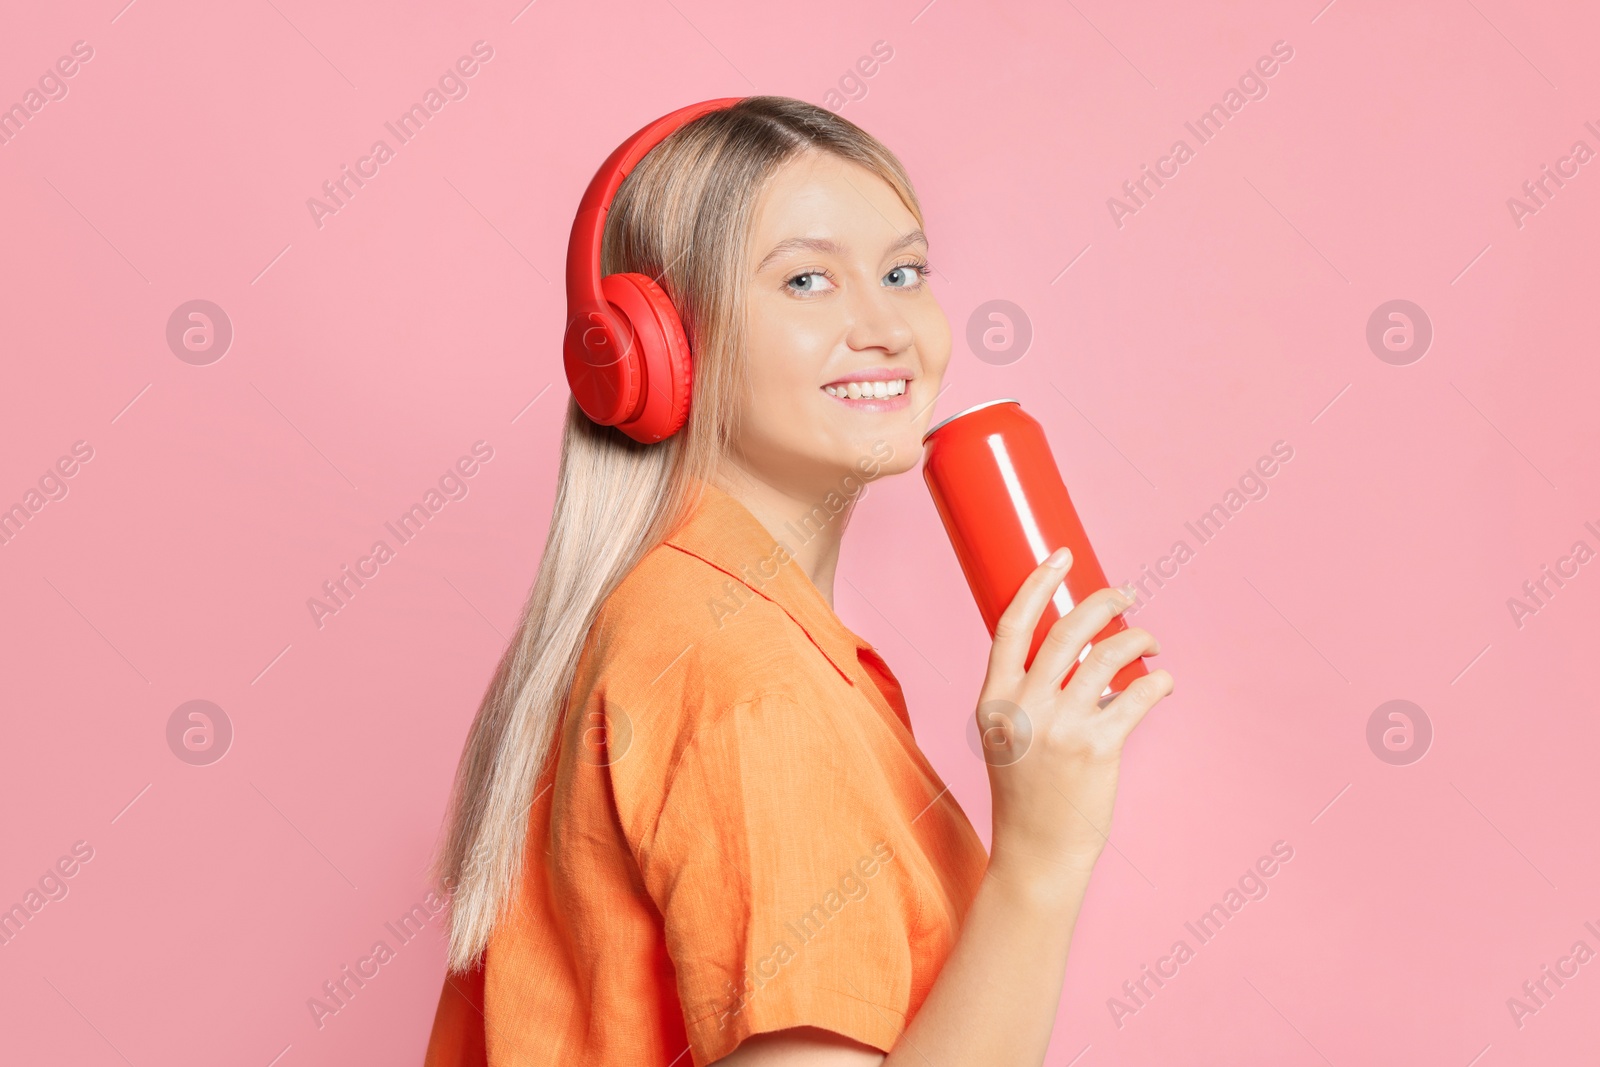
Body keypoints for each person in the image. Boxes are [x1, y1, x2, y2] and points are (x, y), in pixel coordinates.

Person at [422, 95, 1174, 1067]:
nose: (887, 326)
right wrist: (1042, 854)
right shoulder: (746, 679)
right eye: (808, 280)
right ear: (657, 349)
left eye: (902, 273)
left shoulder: (688, 623)